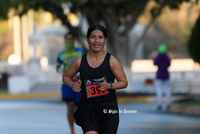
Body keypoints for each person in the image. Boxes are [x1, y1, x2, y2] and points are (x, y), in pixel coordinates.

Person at [62, 24, 128, 134]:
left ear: (105, 40)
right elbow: (66, 76)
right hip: (87, 108)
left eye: (100, 37)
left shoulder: (112, 61)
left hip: (109, 109)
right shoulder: (79, 62)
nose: (96, 41)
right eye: (93, 37)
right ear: (87, 40)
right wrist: (72, 84)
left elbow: (124, 82)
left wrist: (109, 85)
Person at [56, 32, 85, 134]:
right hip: (67, 83)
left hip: (79, 82)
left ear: (73, 40)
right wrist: (61, 70)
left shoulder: (80, 52)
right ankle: (72, 130)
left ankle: (76, 118)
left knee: (78, 107)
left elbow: (86, 64)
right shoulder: (61, 54)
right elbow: (57, 67)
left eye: (71, 39)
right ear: (65, 40)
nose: (69, 41)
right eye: (67, 39)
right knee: (70, 105)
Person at [153, 44, 171, 110]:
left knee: (159, 90)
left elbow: (154, 63)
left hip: (159, 75)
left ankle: (159, 104)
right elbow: (169, 64)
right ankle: (168, 103)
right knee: (167, 90)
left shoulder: (158, 57)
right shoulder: (167, 57)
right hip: (166, 75)